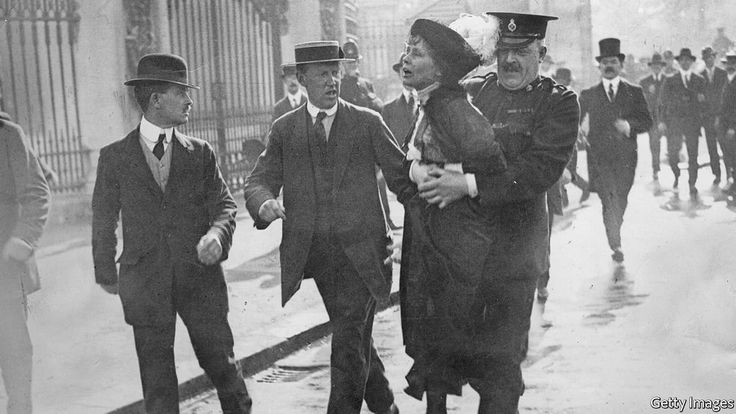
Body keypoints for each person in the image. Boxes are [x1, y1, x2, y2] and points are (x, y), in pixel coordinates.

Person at [418, 12, 579, 413]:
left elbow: (537, 171)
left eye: (522, 51)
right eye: (504, 50)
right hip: (461, 258)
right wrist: (425, 171)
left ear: (541, 53)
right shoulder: (469, 92)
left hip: (514, 258)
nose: (510, 60)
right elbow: (424, 144)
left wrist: (466, 184)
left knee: (503, 366)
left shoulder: (559, 103)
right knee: (456, 360)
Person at [243, 41, 412, 414]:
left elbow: (403, 179)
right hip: (318, 258)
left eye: (335, 72)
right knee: (355, 340)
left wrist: (424, 229)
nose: (332, 80)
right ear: (302, 79)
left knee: (348, 340)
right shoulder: (285, 129)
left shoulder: (367, 121)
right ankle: (386, 408)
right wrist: (264, 203)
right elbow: (258, 181)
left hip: (365, 254)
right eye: (322, 74)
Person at [91, 54, 251, 414]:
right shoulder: (114, 158)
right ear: (156, 100)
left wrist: (216, 235)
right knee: (158, 387)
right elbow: (102, 218)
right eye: (182, 92)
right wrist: (105, 270)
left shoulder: (200, 153)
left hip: (199, 279)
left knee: (222, 367)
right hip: (145, 283)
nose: (190, 100)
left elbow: (225, 207)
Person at [397, 18, 507, 413]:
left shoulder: (454, 109)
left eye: (417, 53)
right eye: (407, 49)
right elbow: (411, 162)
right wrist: (416, 172)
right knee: (433, 342)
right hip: (430, 242)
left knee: (447, 339)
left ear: (440, 69)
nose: (405, 59)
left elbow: (495, 169)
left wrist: (461, 181)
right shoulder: (428, 104)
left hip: (453, 247)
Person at [580, 38, 652, 263]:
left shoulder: (634, 91)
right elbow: (575, 120)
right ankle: (615, 241)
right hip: (600, 158)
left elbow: (647, 121)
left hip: (626, 158)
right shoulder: (588, 94)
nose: (609, 66)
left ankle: (615, 231)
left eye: (613, 61)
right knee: (608, 199)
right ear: (599, 67)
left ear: (620, 65)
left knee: (620, 197)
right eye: (605, 63)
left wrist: (630, 126)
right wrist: (578, 131)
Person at [1, 117, 50, 414]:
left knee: (14, 356)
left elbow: (37, 192)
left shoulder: (8, 136)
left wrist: (23, 237)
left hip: (3, 270)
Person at [660, 48, 706, 197]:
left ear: (692, 62)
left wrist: (702, 101)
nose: (685, 62)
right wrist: (662, 121)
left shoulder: (699, 80)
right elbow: (662, 102)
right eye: (682, 60)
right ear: (678, 62)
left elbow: (705, 102)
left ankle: (692, 183)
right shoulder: (671, 80)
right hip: (675, 123)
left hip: (692, 123)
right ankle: (676, 174)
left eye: (688, 60)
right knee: (673, 155)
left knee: (693, 155)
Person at [700, 46, 729, 186]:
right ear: (703, 60)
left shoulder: (723, 74)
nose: (708, 60)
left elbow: (727, 97)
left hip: (722, 118)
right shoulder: (699, 77)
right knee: (712, 148)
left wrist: (721, 116)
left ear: (714, 58)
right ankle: (716, 174)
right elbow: (698, 99)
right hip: (708, 118)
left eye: (710, 57)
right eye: (706, 58)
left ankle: (729, 174)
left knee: (725, 146)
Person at [639, 52, 667, 181]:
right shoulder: (644, 82)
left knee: (673, 143)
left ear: (662, 66)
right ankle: (655, 168)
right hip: (652, 118)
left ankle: (673, 162)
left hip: (667, 117)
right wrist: (649, 94)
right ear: (651, 67)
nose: (657, 67)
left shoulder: (668, 80)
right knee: (654, 143)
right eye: (654, 65)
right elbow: (640, 101)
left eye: (659, 65)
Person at [381, 54, 417, 146]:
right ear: (399, 74)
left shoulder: (430, 104)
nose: (407, 74)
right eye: (404, 70)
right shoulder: (388, 110)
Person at [340, 40, 384, 112]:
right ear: (343, 64)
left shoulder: (367, 84)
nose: (353, 65)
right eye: (349, 63)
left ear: (358, 62)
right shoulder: (339, 86)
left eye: (355, 61)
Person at [719, 50, 736, 200]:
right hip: (723, 124)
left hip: (733, 125)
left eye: (733, 63)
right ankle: (731, 182)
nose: (730, 66)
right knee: (727, 154)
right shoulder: (726, 79)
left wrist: (732, 126)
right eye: (728, 63)